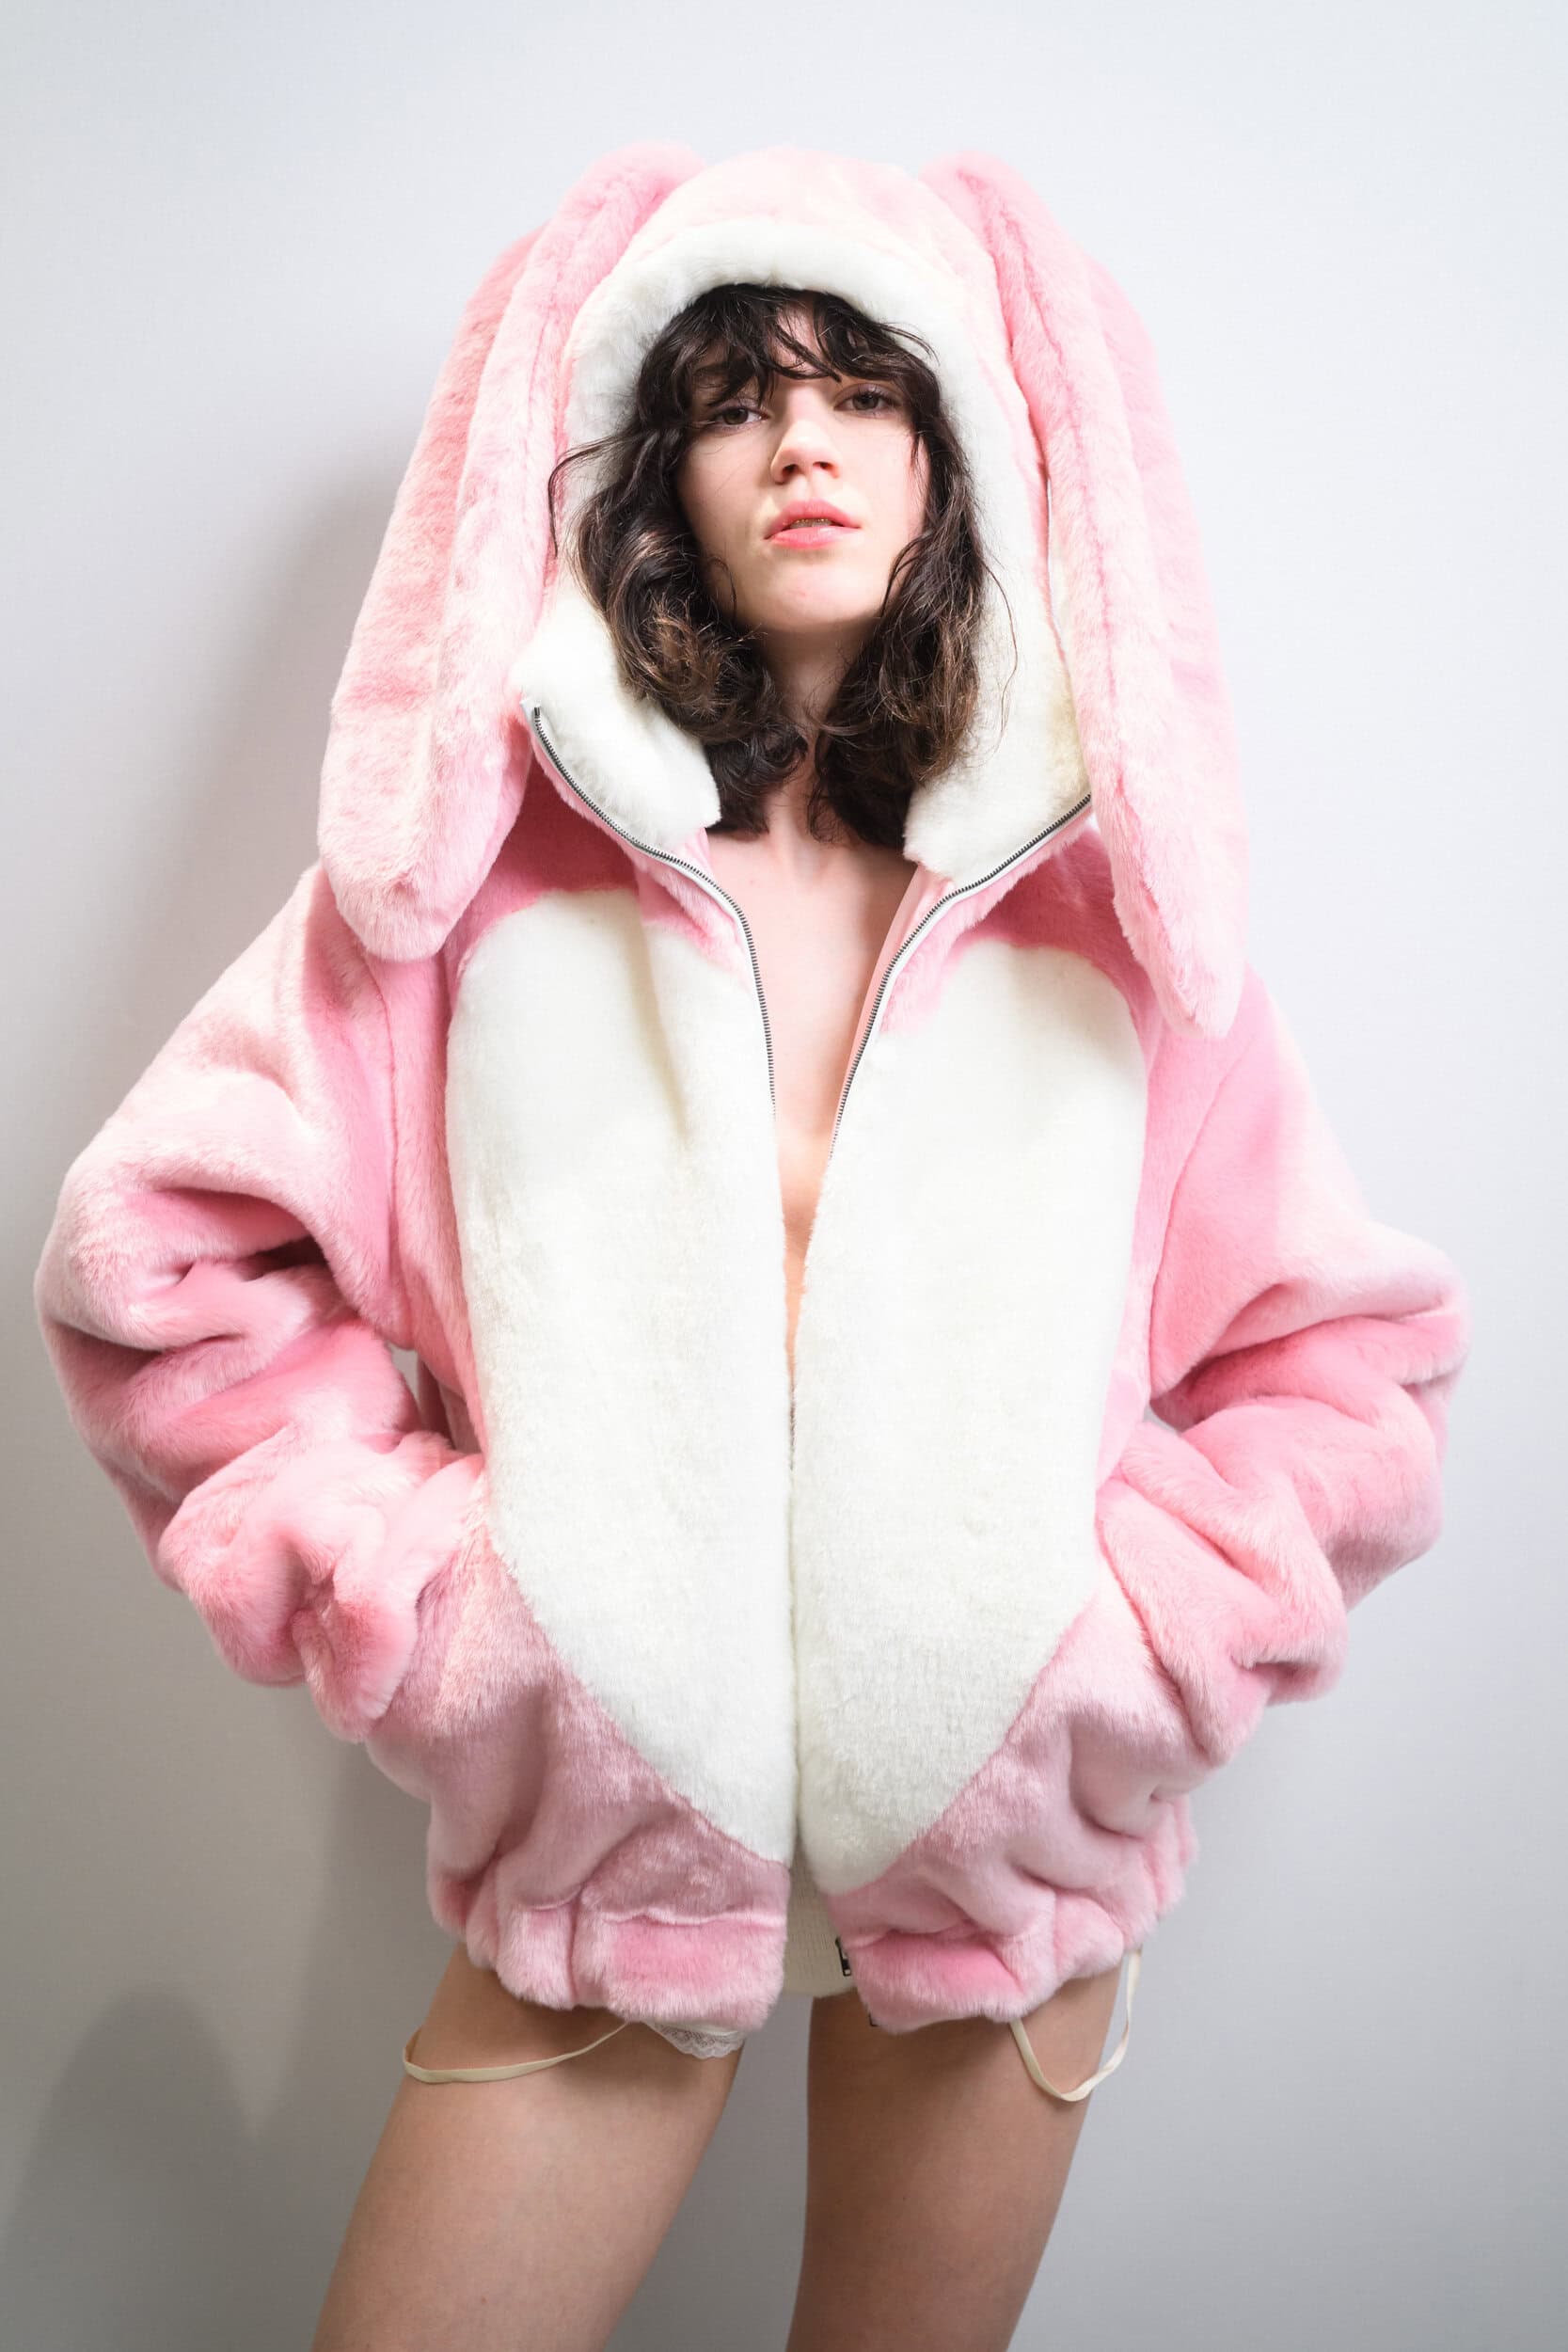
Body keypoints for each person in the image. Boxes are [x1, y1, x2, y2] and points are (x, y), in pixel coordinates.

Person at [33, 144, 1470, 2352]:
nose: (806, 443)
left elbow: (1346, 1366)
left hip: (1000, 1891)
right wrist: (437, 1607)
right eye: (736, 400)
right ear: (654, 477)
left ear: (955, 457)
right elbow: (161, 1257)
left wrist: (1124, 1649)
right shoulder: (478, 892)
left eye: (866, 393)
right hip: (604, 1887)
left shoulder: (1098, 911)